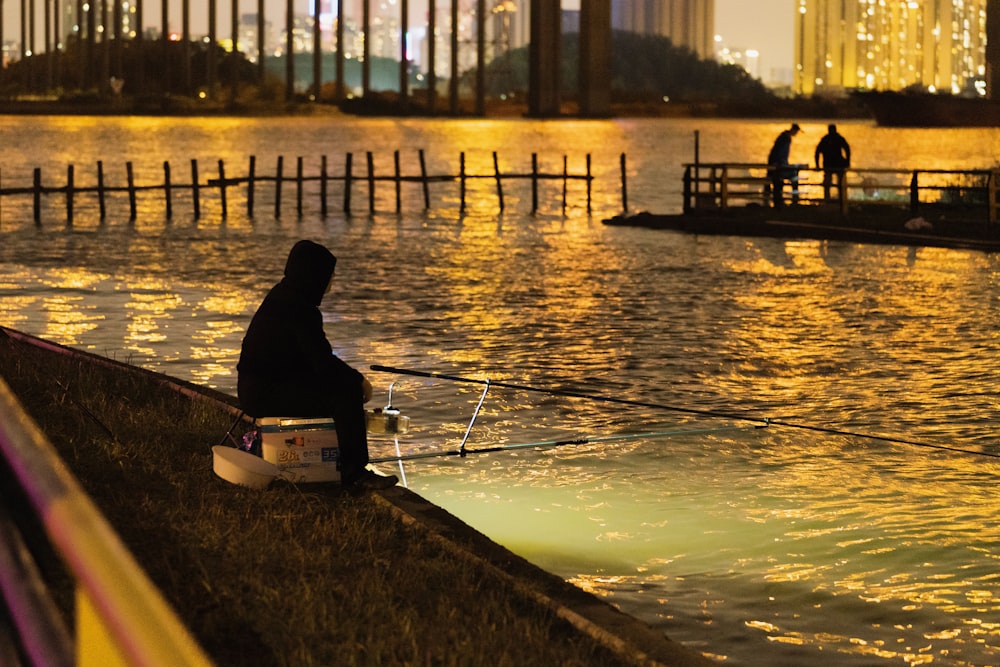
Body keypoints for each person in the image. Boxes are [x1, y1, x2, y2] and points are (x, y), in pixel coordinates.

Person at [237, 240, 398, 491]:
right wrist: (358, 381)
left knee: (336, 387)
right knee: (346, 395)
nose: (332, 281)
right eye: (329, 275)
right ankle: (354, 473)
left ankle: (334, 461)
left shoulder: (283, 295)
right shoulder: (299, 309)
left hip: (259, 387)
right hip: (264, 393)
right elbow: (322, 362)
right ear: (315, 276)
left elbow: (309, 359)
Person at [767, 123, 802, 207]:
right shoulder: (786, 138)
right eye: (796, 132)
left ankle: (779, 201)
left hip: (778, 163)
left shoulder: (784, 137)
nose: (796, 134)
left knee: (778, 182)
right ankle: (794, 199)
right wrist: (781, 162)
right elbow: (781, 152)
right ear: (794, 130)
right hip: (779, 164)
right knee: (792, 177)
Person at [814, 124, 851, 201]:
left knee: (828, 183)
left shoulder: (825, 139)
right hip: (838, 163)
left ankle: (827, 199)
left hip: (828, 164)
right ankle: (841, 199)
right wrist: (847, 161)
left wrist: (817, 165)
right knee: (840, 183)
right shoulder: (838, 138)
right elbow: (847, 149)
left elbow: (817, 152)